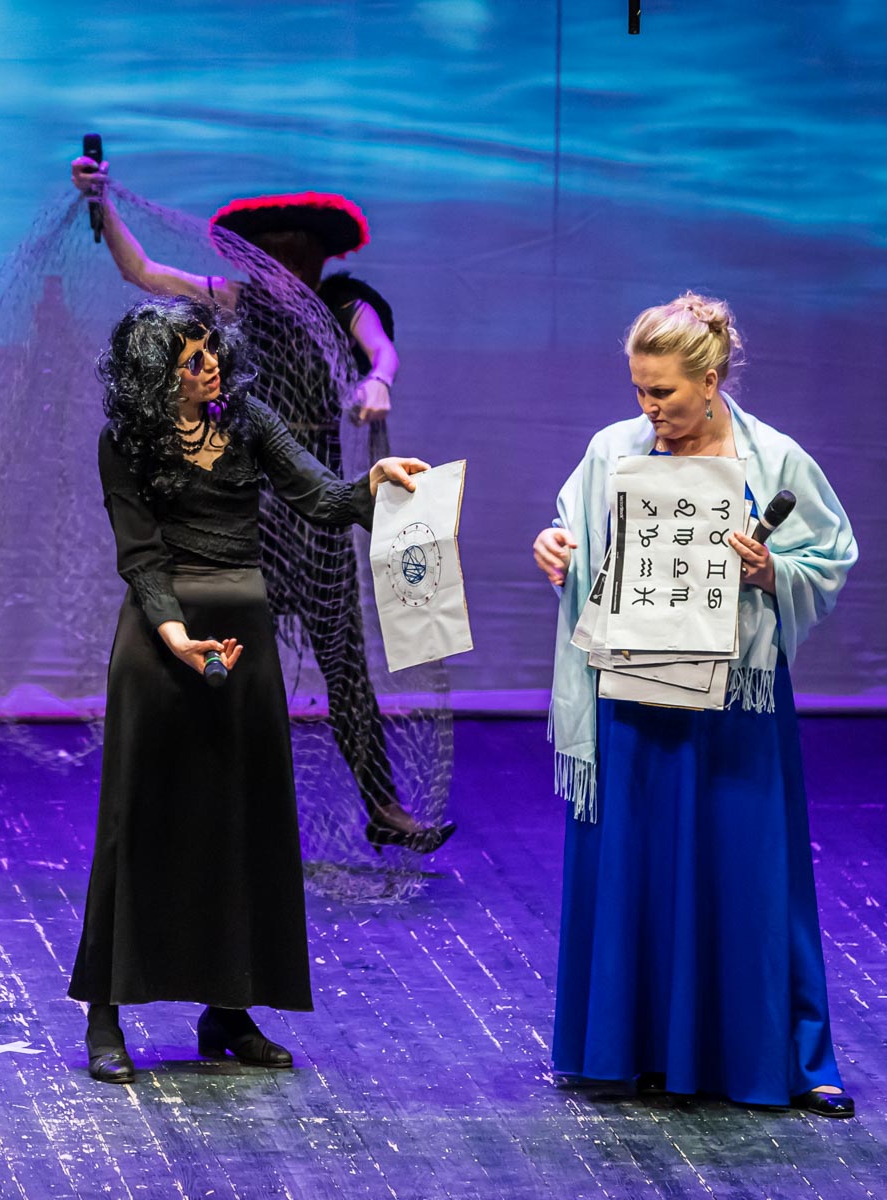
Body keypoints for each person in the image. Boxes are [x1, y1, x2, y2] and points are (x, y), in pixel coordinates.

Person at [69, 295, 430, 1083]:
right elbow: (142, 558)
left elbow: (326, 500)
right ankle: (105, 1012)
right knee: (138, 819)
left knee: (241, 819)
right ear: (154, 375)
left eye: (211, 351)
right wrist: (177, 639)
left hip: (244, 644)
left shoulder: (248, 420)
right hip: (161, 646)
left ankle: (228, 1012)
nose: (211, 366)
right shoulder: (123, 440)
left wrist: (374, 483)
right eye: (191, 359)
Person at [71, 156, 454, 853]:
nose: (284, 270)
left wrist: (377, 382)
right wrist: (102, 204)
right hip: (246, 504)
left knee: (344, 665)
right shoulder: (237, 303)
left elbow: (379, 351)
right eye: (273, 257)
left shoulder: (343, 302)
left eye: (297, 256)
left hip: (313, 500)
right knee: (226, 650)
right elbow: (146, 273)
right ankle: (209, 809)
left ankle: (382, 805)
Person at [534, 293, 857, 1117]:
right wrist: (556, 546)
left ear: (709, 382)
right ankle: (633, 1049)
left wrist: (770, 571)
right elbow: (571, 532)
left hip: (732, 706)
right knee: (637, 867)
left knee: (748, 875)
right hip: (634, 694)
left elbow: (829, 555)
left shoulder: (773, 460)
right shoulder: (613, 450)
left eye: (664, 392)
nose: (649, 407)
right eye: (639, 390)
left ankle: (785, 1055)